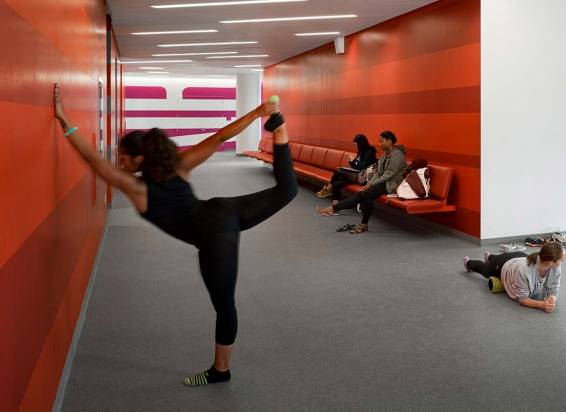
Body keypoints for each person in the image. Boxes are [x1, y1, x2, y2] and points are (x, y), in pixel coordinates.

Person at [52, 84, 296, 387]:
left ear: (140, 158)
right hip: (225, 209)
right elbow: (220, 137)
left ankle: (221, 371)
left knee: (225, 306)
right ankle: (279, 127)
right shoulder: (177, 166)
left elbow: (93, 160)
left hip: (214, 235)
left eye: (124, 156)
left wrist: (65, 121)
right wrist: (260, 112)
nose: (120, 161)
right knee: (287, 189)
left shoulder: (138, 188)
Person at [316, 131, 406, 234]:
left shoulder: (397, 155)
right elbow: (378, 173)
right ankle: (334, 209)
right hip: (383, 181)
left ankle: (361, 223)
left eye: (381, 141)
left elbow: (389, 174)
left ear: (390, 141)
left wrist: (371, 184)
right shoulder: (385, 154)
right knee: (362, 192)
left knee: (367, 193)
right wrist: (369, 183)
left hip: (392, 184)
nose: (379, 144)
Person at [462, 242, 563, 313]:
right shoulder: (524, 270)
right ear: (551, 262)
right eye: (561, 260)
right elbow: (523, 299)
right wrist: (542, 305)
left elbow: (553, 289)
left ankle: (490, 257)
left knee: (498, 258)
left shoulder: (556, 268)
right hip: (507, 264)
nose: (562, 262)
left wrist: (551, 300)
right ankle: (469, 263)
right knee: (485, 270)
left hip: (521, 257)